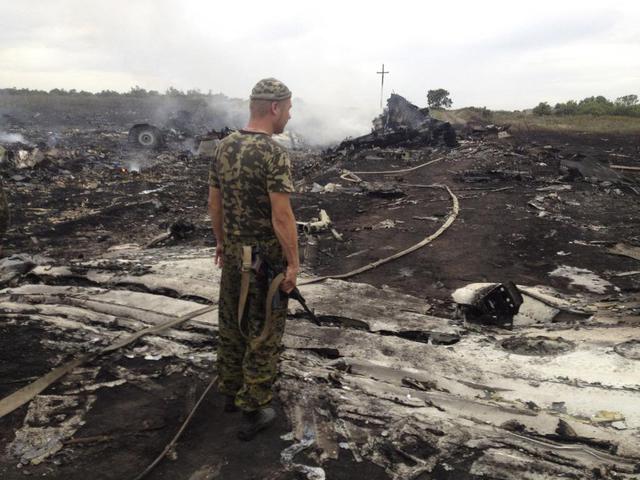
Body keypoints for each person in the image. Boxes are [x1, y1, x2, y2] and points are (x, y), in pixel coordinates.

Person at [208, 78, 298, 441]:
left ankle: (230, 392)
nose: (289, 117)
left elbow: (214, 203)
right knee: (263, 331)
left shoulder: (224, 147)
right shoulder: (274, 154)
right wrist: (293, 263)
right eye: (289, 109)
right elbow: (281, 217)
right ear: (275, 108)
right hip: (265, 263)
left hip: (232, 255)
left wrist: (220, 242)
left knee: (231, 323)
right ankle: (255, 405)